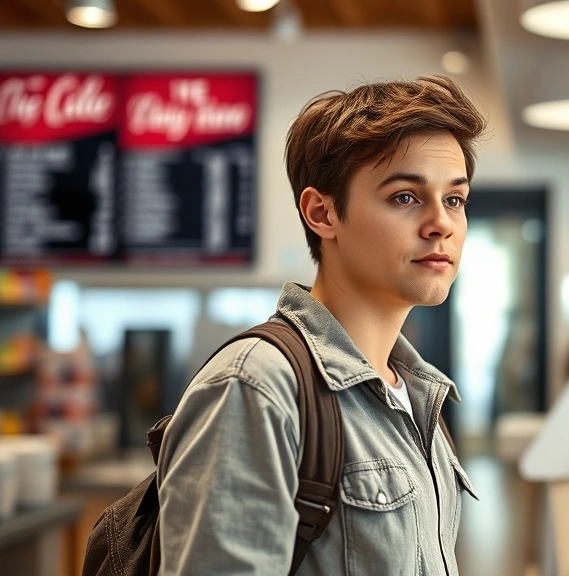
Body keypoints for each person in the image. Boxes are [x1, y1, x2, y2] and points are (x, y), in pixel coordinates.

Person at [156, 76, 485, 575]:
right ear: (322, 212)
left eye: (455, 200)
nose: (441, 223)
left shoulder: (419, 397)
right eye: (405, 197)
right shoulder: (256, 387)